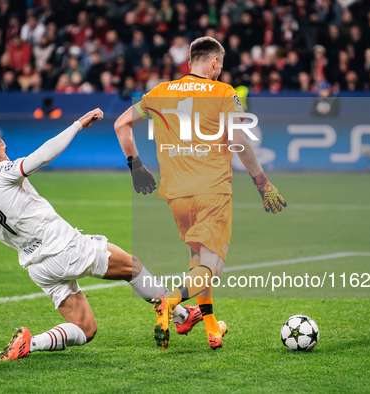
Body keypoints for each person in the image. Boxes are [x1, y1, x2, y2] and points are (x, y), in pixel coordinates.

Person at [0, 109, 199, 360]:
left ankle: (31, 343)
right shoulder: (3, 172)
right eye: (3, 150)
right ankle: (182, 317)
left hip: (37, 267)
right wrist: (78, 124)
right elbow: (43, 155)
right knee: (132, 267)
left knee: (85, 329)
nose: (6, 154)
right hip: (64, 248)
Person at [113, 37, 287, 350]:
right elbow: (239, 142)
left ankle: (211, 327)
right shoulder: (223, 92)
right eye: (220, 65)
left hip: (176, 196)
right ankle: (169, 302)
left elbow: (121, 124)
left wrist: (136, 167)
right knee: (213, 269)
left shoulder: (160, 92)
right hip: (213, 192)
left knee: (197, 258)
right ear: (214, 63)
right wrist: (262, 182)